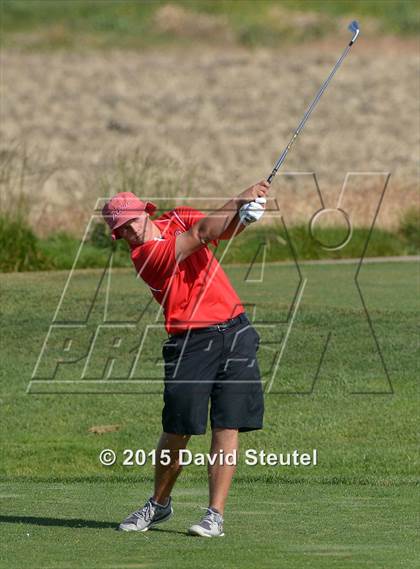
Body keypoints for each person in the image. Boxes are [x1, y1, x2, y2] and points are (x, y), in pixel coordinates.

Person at [102, 180, 269, 537]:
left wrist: (245, 216)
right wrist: (238, 198)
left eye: (131, 221)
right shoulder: (145, 257)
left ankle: (214, 515)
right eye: (122, 229)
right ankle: (159, 504)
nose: (130, 230)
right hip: (190, 342)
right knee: (178, 430)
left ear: (145, 212)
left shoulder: (177, 217)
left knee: (228, 424)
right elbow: (202, 233)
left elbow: (221, 230)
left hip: (235, 331)